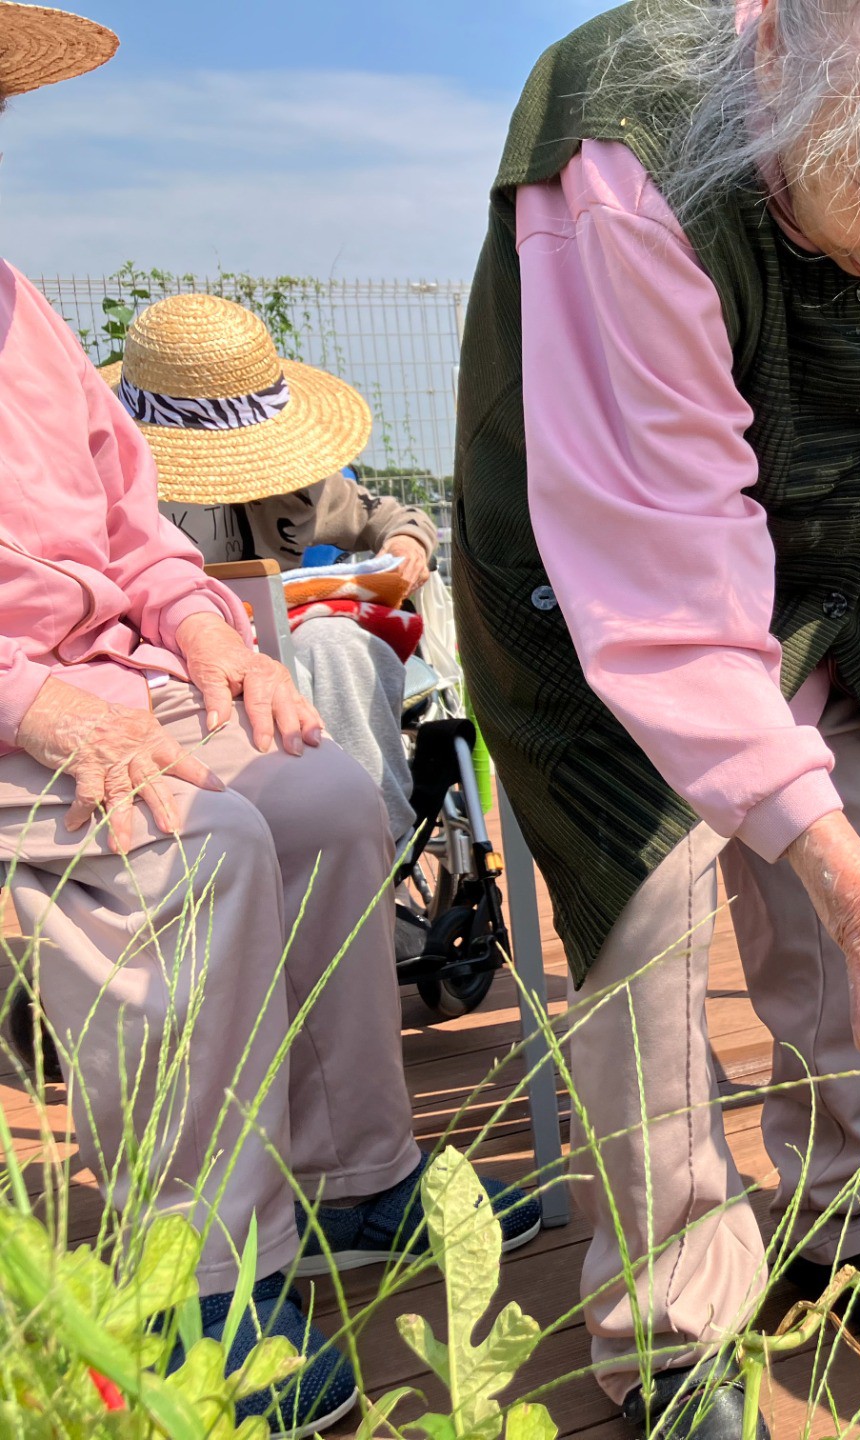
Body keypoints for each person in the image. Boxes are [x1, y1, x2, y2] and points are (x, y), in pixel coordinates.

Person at [453, 2, 860, 1434]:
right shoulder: (625, 156)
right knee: (652, 907)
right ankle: (675, 1313)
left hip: (830, 566)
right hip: (599, 587)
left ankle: (850, 1223)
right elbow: (671, 601)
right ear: (774, 68)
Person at [0, 13, 535, 1436]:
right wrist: (29, 697)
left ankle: (354, 1175)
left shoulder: (21, 311)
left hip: (113, 672)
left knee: (325, 795)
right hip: (19, 702)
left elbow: (132, 529)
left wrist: (202, 633)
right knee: (202, 843)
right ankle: (198, 1274)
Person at [121, 292, 435, 849]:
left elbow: (392, 515)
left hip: (292, 649)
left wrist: (408, 544)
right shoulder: (114, 496)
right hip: (177, 663)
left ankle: (377, 843)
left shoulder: (302, 485)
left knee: (332, 643)